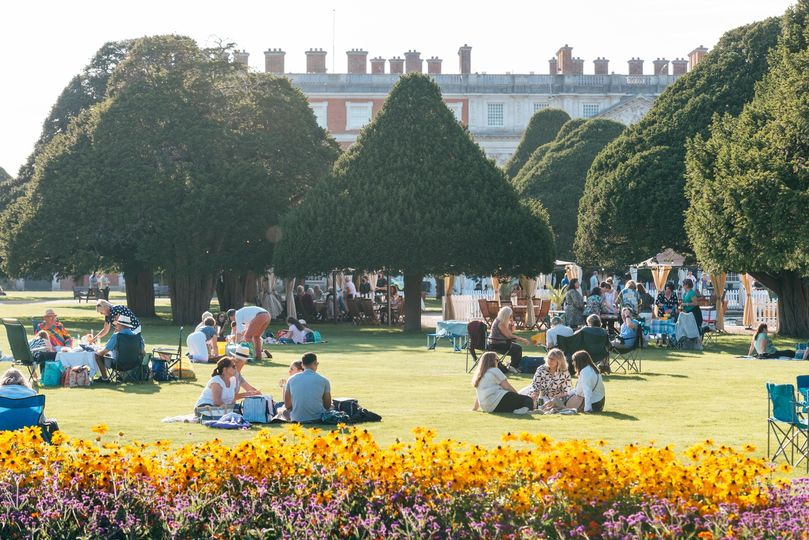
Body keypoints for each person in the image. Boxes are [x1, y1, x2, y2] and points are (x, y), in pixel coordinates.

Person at [284, 352, 332, 423]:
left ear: (302, 365)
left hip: (297, 418)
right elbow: (327, 405)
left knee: (283, 410)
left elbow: (287, 405)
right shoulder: (324, 380)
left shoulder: (291, 379)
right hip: (318, 418)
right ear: (315, 363)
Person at [94, 315, 144, 382]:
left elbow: (104, 351)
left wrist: (98, 352)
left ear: (120, 325)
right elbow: (142, 352)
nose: (116, 326)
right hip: (134, 364)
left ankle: (105, 378)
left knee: (97, 355)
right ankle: (121, 376)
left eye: (117, 325)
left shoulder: (117, 336)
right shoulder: (138, 337)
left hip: (118, 364)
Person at [195, 358, 260, 408]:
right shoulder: (216, 380)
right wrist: (245, 395)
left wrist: (248, 394)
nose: (236, 368)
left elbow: (230, 399)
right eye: (233, 366)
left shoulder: (233, 380)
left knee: (243, 409)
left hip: (219, 408)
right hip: (205, 407)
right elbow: (217, 402)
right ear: (225, 369)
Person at [487, 306, 531, 373]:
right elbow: (509, 336)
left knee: (516, 347)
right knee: (518, 348)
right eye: (510, 316)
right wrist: (523, 340)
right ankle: (513, 366)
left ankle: (512, 366)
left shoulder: (501, 321)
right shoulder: (500, 323)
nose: (511, 317)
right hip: (496, 344)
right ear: (506, 315)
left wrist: (512, 322)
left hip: (500, 343)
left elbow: (512, 331)